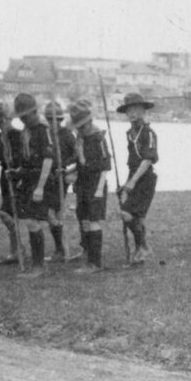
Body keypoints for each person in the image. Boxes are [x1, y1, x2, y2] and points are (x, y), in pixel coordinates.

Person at [11, 93, 54, 278]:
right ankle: (37, 263)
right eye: (21, 116)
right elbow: (26, 158)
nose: (23, 119)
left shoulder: (43, 129)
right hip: (28, 179)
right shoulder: (25, 131)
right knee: (29, 220)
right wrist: (18, 172)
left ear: (34, 111)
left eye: (26, 115)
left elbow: (48, 160)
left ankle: (39, 266)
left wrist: (40, 187)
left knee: (33, 221)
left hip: (41, 180)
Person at [116, 92, 159, 265]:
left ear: (143, 110)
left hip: (145, 177)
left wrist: (132, 182)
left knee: (126, 213)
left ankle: (144, 247)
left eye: (135, 109)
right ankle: (141, 249)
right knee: (137, 217)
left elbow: (147, 160)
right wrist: (128, 180)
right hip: (132, 173)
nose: (132, 113)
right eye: (129, 110)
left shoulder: (148, 133)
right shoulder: (129, 133)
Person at [70, 99, 111, 272]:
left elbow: (105, 166)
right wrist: (69, 172)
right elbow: (81, 164)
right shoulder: (80, 139)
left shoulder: (98, 138)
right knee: (84, 220)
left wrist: (99, 190)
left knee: (94, 221)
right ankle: (88, 256)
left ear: (89, 122)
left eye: (84, 126)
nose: (81, 129)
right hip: (83, 184)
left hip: (96, 185)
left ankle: (96, 263)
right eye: (78, 127)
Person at [43, 101, 80, 263]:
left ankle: (62, 248)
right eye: (50, 120)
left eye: (57, 120)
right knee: (52, 214)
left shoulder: (66, 135)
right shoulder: (45, 134)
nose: (54, 124)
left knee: (52, 213)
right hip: (47, 177)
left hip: (60, 178)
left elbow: (77, 155)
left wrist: (64, 165)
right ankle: (61, 248)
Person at [0, 101, 24, 265]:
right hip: (4, 176)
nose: (0, 124)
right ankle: (15, 250)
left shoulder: (18, 135)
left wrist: (17, 173)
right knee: (8, 211)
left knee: (7, 212)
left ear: (9, 119)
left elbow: (21, 157)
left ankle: (18, 249)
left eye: (2, 120)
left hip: (16, 176)